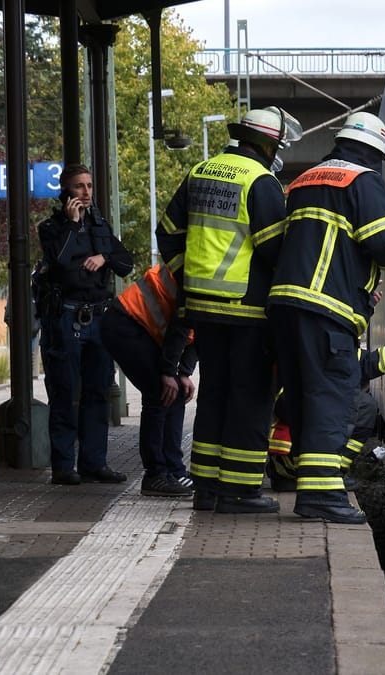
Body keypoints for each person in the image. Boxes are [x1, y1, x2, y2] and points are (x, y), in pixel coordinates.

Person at [157, 106, 303, 514]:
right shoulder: (261, 181)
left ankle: (206, 489)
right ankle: (239, 491)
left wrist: (188, 278)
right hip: (247, 312)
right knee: (251, 400)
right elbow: (274, 249)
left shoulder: (200, 171)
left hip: (203, 310)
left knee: (214, 396)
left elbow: (167, 233)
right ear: (268, 145)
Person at [267, 111, 385, 524]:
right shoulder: (363, 181)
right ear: (376, 152)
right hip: (326, 311)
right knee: (331, 398)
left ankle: (312, 490)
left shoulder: (304, 179)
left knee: (302, 397)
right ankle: (322, 497)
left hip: (285, 307)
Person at [37, 164, 135, 486]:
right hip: (65, 318)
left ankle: (94, 462)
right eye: (79, 186)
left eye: (89, 186)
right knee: (65, 392)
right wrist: (72, 224)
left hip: (98, 318)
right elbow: (59, 262)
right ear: (66, 191)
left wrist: (104, 257)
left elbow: (126, 263)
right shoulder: (52, 228)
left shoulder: (100, 226)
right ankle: (64, 466)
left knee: (97, 392)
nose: (86, 192)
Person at [267, 324, 385, 491]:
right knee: (339, 403)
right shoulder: (303, 348)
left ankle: (334, 472)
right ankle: (321, 476)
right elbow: (286, 407)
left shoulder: (334, 346)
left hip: (298, 464)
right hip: (288, 464)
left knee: (365, 406)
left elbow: (368, 363)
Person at [100, 262, 197, 497]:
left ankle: (174, 470)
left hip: (141, 328)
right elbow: (181, 325)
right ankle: (155, 475)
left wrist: (183, 372)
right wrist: (169, 372)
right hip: (125, 323)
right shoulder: (197, 273)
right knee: (159, 394)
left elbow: (200, 331)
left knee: (174, 393)